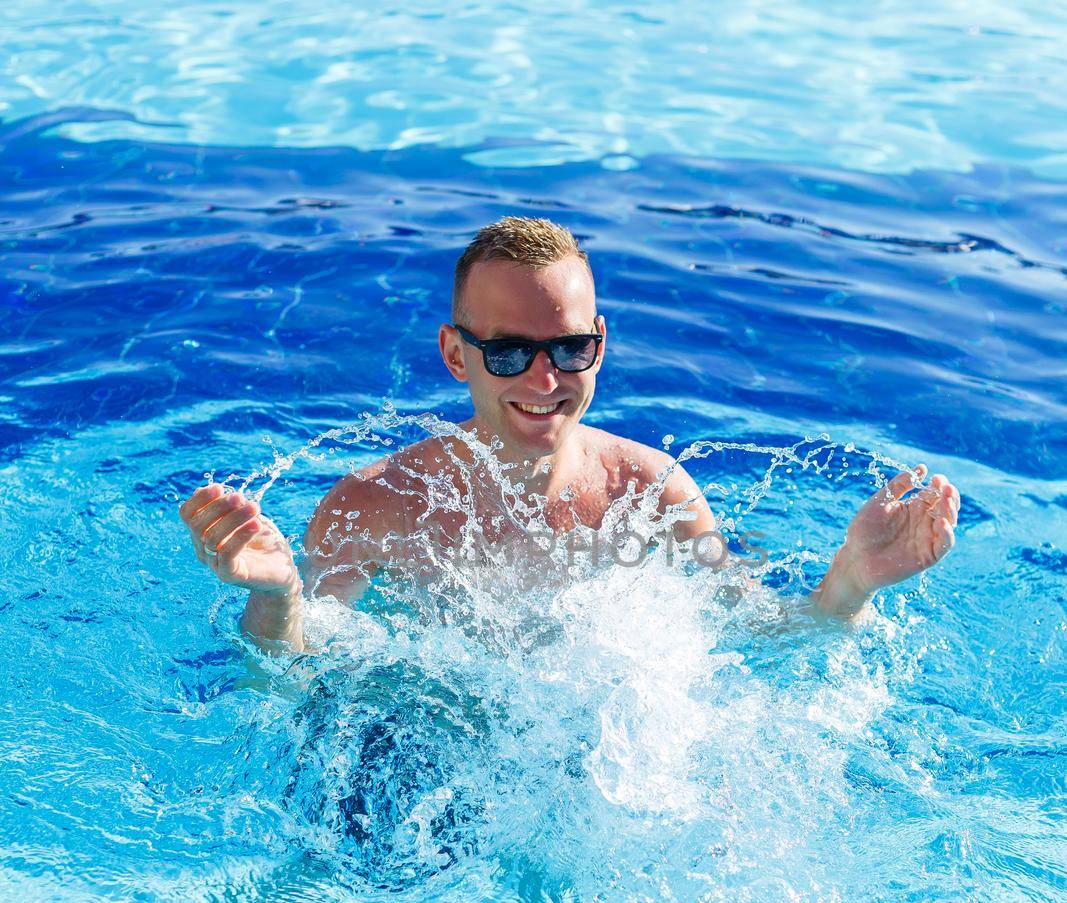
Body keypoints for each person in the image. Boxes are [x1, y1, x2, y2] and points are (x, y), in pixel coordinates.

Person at [179, 217, 959, 654]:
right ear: (456, 355)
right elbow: (292, 675)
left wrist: (850, 582)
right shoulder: (380, 506)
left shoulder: (651, 492)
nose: (544, 380)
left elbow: (758, 636)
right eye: (509, 352)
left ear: (600, 345)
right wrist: (278, 597)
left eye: (569, 349)